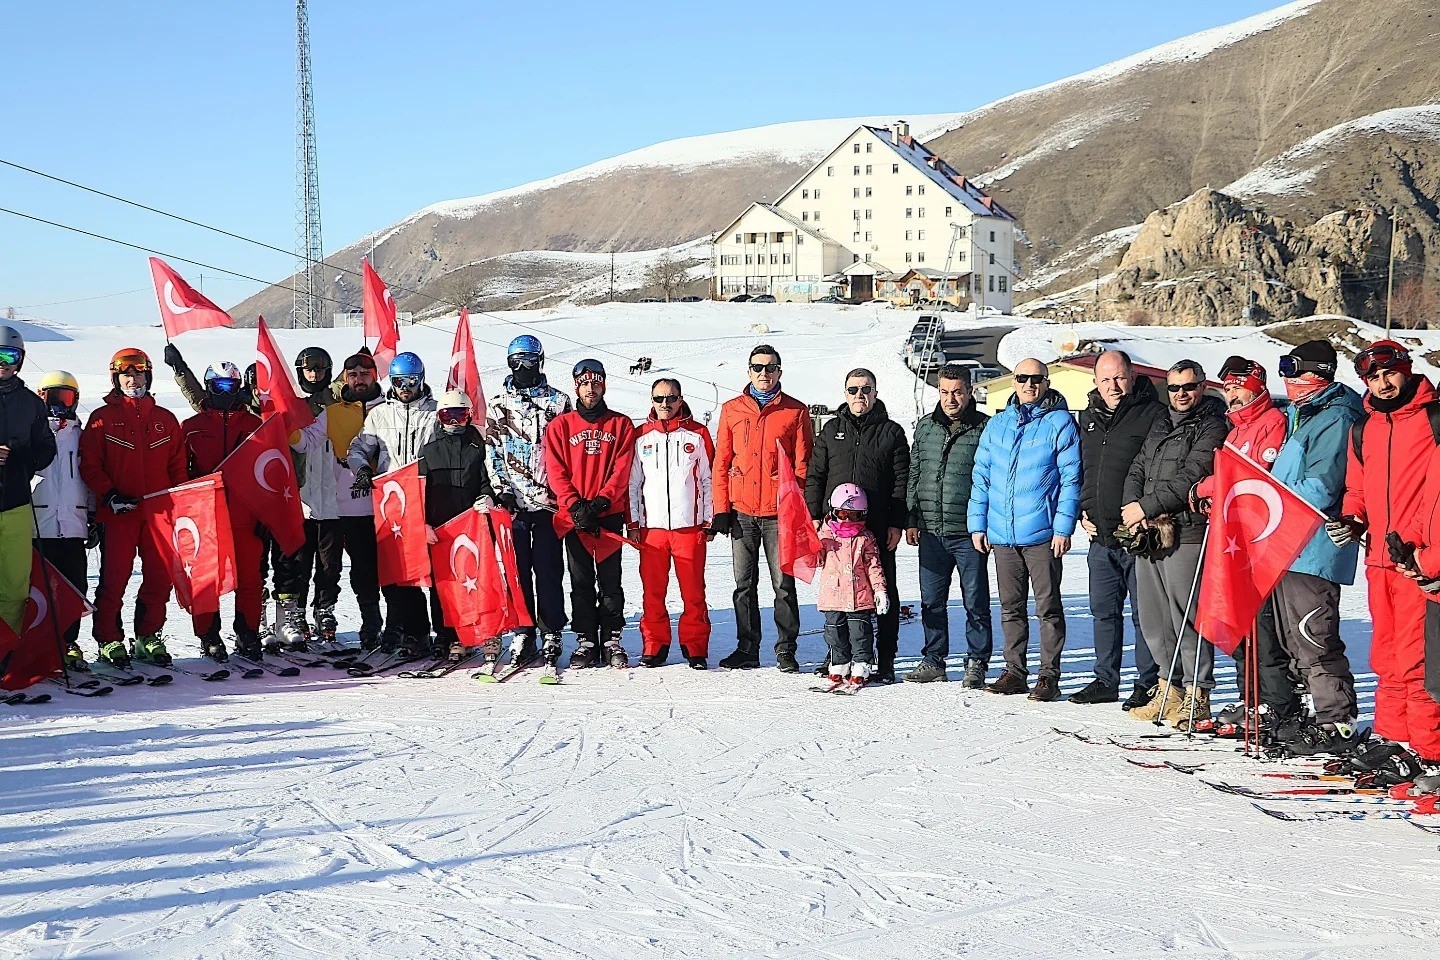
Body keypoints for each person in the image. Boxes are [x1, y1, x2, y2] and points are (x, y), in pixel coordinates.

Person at [1331, 340, 1440, 772]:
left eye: (1389, 372)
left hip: (1418, 559)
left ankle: (1425, 750)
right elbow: (1357, 488)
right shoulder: (1366, 427)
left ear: (1406, 368)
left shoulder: (1434, 420)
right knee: (1386, 658)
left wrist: (1424, 551)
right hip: (1378, 559)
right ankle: (1394, 741)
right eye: (1372, 377)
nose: (1383, 382)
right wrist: (1352, 518)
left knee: (1415, 660)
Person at [1263, 340, 1362, 755]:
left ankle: (1337, 720)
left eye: (1293, 369)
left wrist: (1268, 495)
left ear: (1318, 374)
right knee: (1293, 640)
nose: (1286, 377)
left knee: (1314, 636)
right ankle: (1316, 714)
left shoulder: (1336, 418)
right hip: (1291, 543)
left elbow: (1321, 486)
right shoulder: (1304, 414)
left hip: (1316, 546)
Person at [968, 358, 1081, 701]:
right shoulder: (997, 425)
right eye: (1023, 378)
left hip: (1043, 534)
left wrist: (1063, 527)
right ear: (1014, 382)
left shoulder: (1060, 423)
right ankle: (1014, 671)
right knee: (1010, 607)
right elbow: (982, 477)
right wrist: (978, 523)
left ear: (1046, 382)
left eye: (1037, 379)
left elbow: (1071, 480)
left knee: (1048, 608)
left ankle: (1049, 676)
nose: (1030, 384)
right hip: (1002, 534)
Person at [1122, 359, 1227, 729]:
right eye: (1175, 388)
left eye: (1189, 386)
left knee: (1187, 616)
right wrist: (1133, 507)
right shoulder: (1162, 421)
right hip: (1150, 531)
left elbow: (1193, 475)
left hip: (1186, 531)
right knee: (1154, 616)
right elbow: (1138, 467)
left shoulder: (1212, 424)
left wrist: (1146, 506)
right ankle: (1169, 688)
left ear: (1202, 386)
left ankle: (1198, 692)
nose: (1181, 394)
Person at [1193, 356, 1292, 731]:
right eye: (1228, 388)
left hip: (1259, 542)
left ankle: (1277, 704)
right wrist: (1207, 492)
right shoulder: (1234, 431)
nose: (1231, 393)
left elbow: (1254, 477)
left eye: (1238, 385)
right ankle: (1249, 699)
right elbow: (1225, 475)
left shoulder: (1272, 423)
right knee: (1239, 626)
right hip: (1232, 541)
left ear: (1256, 386)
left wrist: (1206, 488)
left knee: (1263, 631)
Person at [80, 348, 186, 668]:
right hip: (119, 513)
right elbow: (90, 464)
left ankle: (147, 636)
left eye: (138, 373)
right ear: (115, 379)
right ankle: (108, 639)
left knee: (158, 577)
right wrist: (109, 495)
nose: (132, 379)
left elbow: (179, 467)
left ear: (148, 375)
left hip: (158, 514)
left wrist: (178, 501)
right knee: (115, 579)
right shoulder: (102, 419)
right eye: (125, 374)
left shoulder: (165, 419)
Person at [711, 344, 814, 672]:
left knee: (783, 585)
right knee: (743, 584)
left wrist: (795, 508)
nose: (764, 373)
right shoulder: (732, 409)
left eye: (770, 368)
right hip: (742, 511)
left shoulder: (795, 412)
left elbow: (803, 465)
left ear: (780, 372)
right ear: (749, 371)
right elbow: (722, 461)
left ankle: (786, 649)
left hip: (777, 514)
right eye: (758, 367)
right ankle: (747, 648)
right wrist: (721, 508)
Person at [1073, 350, 1165, 706]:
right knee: (1104, 611)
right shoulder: (1089, 417)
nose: (1113, 385)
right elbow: (1084, 468)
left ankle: (1147, 682)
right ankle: (1105, 679)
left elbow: (1157, 468)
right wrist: (1084, 510)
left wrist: (1147, 511)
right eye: (1106, 379)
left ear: (1132, 376)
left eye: (1120, 377)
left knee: (1144, 615)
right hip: (1100, 535)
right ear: (1095, 381)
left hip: (1138, 534)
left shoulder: (1152, 414)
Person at [805, 367, 908, 683]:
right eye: (853, 390)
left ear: (875, 393)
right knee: (838, 594)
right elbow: (816, 475)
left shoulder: (891, 432)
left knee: (880, 589)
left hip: (874, 528)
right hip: (835, 532)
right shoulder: (831, 430)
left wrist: (896, 522)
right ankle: (838, 655)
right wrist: (814, 514)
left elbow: (902, 480)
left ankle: (885, 658)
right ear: (845, 393)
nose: (859, 395)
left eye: (866, 389)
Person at [542, 359, 637, 669]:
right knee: (581, 580)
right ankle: (586, 639)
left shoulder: (621, 425)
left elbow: (622, 470)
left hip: (606, 514)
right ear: (577, 387)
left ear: (604, 385)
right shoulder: (560, 426)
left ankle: (611, 638)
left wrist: (601, 503)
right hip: (575, 516)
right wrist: (575, 505)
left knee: (611, 580)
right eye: (585, 384)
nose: (591, 389)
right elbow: (555, 470)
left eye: (596, 383)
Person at [484, 334, 571, 665]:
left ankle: (552, 630)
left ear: (540, 361)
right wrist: (501, 490)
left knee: (548, 569)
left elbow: (567, 451)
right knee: (517, 571)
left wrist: (561, 493)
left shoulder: (558, 403)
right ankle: (523, 629)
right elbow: (492, 450)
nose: (522, 368)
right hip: (514, 503)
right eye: (515, 362)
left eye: (528, 361)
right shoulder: (498, 404)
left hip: (548, 503)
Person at [291, 348, 385, 650]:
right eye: (353, 374)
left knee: (366, 571)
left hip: (370, 508)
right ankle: (314, 615)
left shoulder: (387, 409)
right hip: (333, 507)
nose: (359, 379)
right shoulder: (333, 412)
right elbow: (306, 442)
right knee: (325, 568)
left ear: (374, 376)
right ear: (345, 377)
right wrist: (284, 426)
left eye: (365, 374)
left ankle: (372, 624)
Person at [905, 364, 992, 686]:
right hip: (930, 530)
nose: (951, 399)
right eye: (944, 392)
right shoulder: (926, 427)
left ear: (969, 391)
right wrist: (911, 518)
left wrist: (984, 524)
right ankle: (934, 660)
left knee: (976, 602)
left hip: (968, 534)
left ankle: (977, 662)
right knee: (932, 602)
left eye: (957, 392)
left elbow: (991, 479)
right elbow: (915, 473)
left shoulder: (985, 428)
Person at [349, 352, 439, 655]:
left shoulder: (435, 414)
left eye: (411, 381)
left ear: (421, 380)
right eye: (399, 381)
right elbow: (359, 446)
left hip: (428, 498)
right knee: (400, 571)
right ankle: (412, 632)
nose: (405, 387)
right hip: (394, 503)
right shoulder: (381, 415)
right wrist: (361, 468)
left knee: (435, 571)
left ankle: (447, 632)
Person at [179, 362, 264, 662]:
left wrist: (266, 514)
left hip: (245, 515)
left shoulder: (255, 426)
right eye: (219, 386)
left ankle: (247, 632)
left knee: (251, 578)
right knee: (206, 578)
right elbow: (179, 472)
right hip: (206, 517)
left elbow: (267, 472)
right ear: (209, 387)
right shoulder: (191, 427)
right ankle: (209, 634)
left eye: (231, 386)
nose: (225, 392)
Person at [628, 378, 714, 669]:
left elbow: (707, 479)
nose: (666, 404)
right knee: (652, 592)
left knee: (693, 592)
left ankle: (695, 646)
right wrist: (634, 521)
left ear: (680, 399)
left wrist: (707, 519)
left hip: (688, 528)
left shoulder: (697, 435)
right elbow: (633, 483)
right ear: (651, 400)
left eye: (671, 398)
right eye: (659, 398)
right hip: (652, 530)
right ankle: (655, 644)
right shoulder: (641, 436)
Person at [417, 391, 496, 662]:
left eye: (460, 415)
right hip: (441, 530)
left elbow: (487, 480)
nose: (454, 421)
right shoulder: (428, 452)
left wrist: (487, 497)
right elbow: (419, 491)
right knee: (444, 586)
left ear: (469, 417)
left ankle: (480, 632)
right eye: (448, 415)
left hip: (473, 527)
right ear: (439, 418)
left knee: (477, 581)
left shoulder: (478, 449)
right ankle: (447, 636)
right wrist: (423, 523)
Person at [271, 346, 337, 649]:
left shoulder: (339, 402)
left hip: (333, 496)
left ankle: (323, 611)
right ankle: (290, 616)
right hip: (299, 495)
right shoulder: (291, 404)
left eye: (320, 370)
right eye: (309, 370)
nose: (314, 375)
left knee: (329, 564)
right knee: (297, 561)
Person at [30, 371, 93, 668]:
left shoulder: (82, 436)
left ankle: (68, 643)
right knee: (37, 589)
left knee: (74, 588)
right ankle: (34, 644)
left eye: (65, 397)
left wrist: (93, 516)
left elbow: (91, 476)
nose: (58, 405)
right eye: (52, 397)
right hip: (37, 524)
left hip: (72, 525)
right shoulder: (32, 434)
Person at [0, 327, 58, 638]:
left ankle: (5, 652)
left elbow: (46, 447)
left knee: (14, 585)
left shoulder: (31, 403)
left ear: (20, 360)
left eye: (9, 355)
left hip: (16, 503)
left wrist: (22, 458)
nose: (2, 362)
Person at [815, 484, 888, 693]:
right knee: (834, 632)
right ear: (833, 512)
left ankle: (862, 664)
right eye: (842, 514)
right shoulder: (825, 535)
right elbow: (815, 558)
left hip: (859, 596)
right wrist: (810, 547)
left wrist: (880, 590)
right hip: (833, 595)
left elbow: (874, 566)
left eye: (854, 516)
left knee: (860, 634)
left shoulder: (865, 538)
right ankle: (839, 663)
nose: (847, 520)